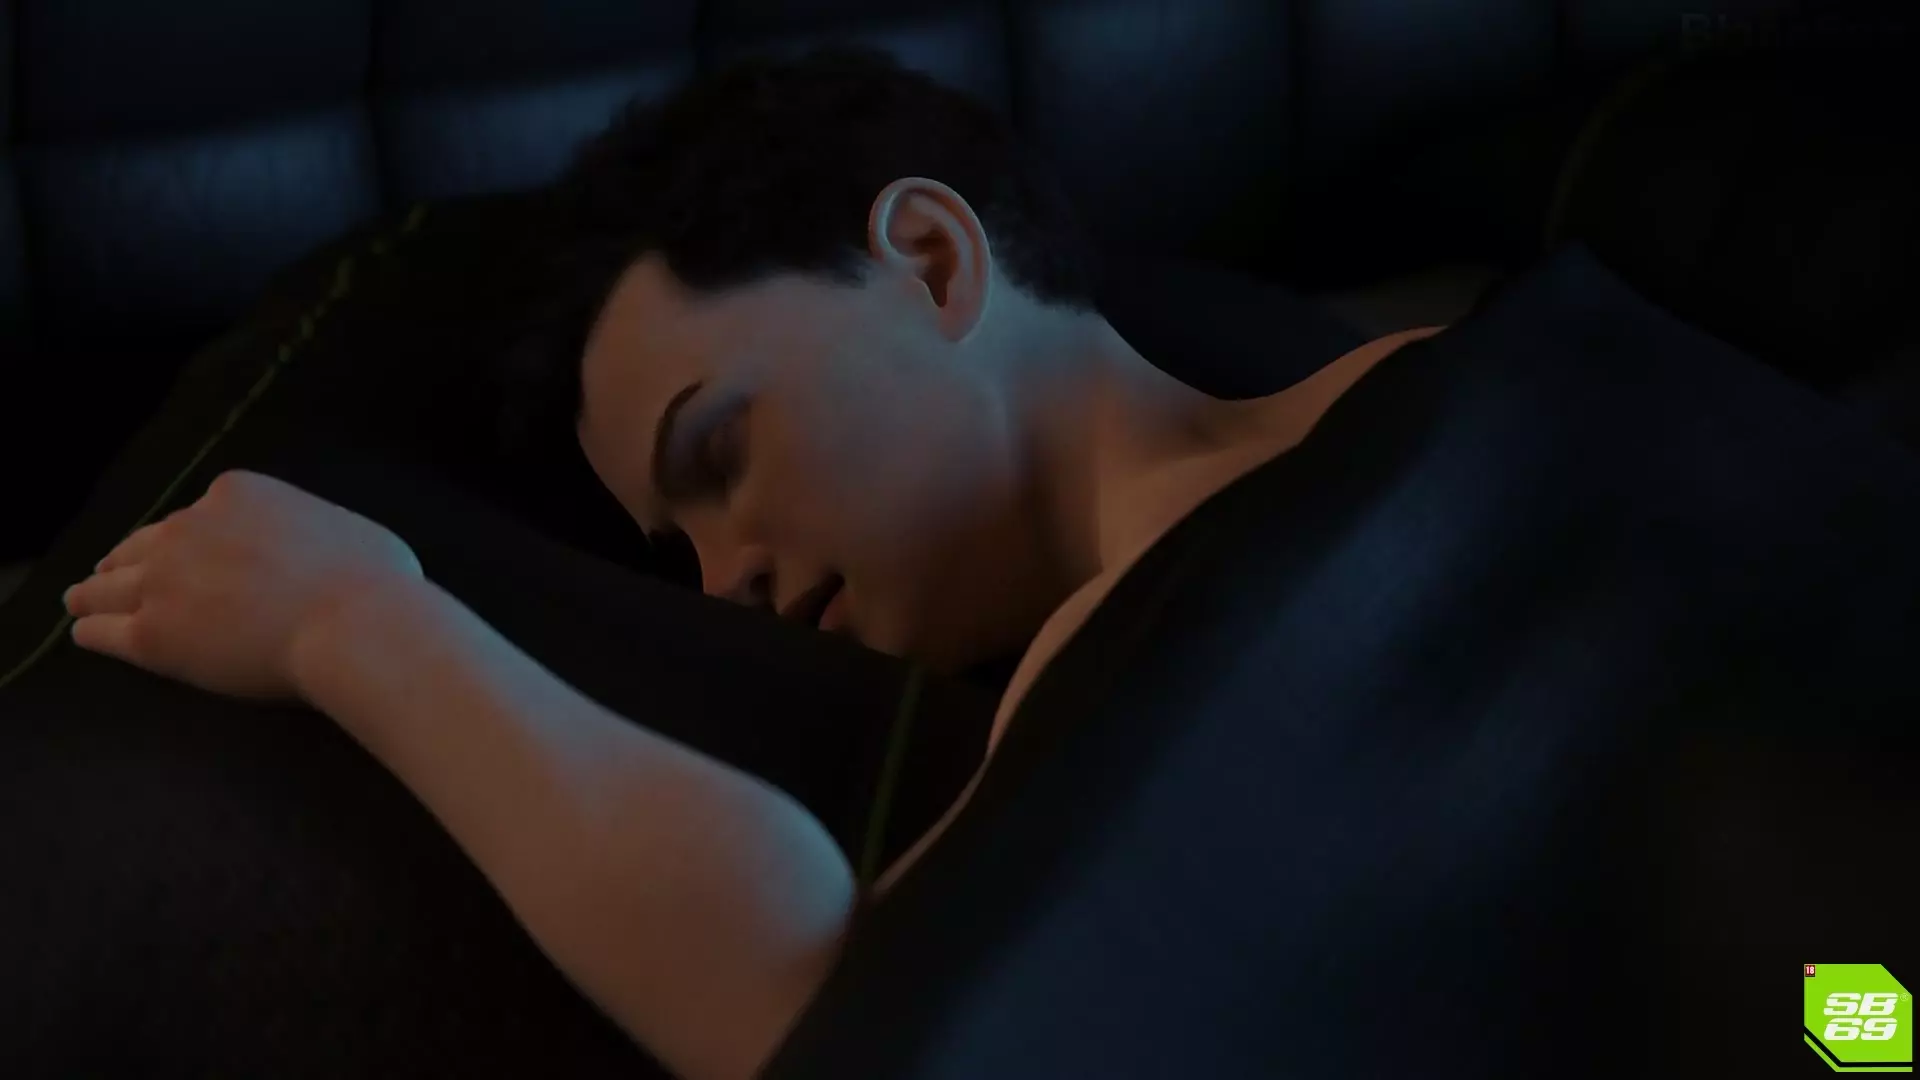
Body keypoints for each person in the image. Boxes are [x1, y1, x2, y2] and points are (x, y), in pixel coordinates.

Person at [55, 48, 1920, 1080]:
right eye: (675, 547)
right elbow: (824, 1007)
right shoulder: (1078, 713)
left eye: (723, 454)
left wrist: (356, 617)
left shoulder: (1507, 363)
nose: (723, 582)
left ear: (935, 261)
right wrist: (362, 629)